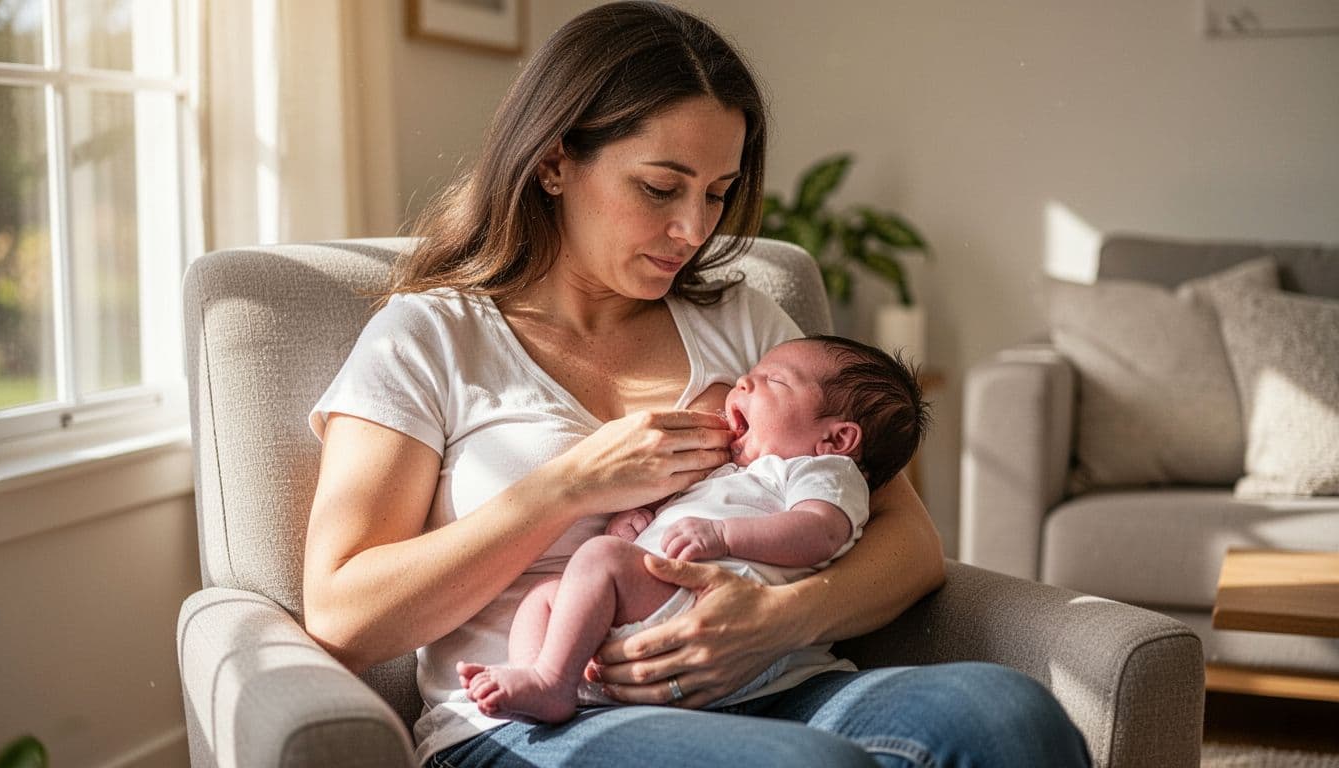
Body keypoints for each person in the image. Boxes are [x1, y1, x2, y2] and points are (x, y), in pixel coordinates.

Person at [303, 2, 1091, 766]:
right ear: (553, 162)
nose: (695, 229)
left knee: (1009, 716)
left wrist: (779, 619)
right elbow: (345, 614)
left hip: (779, 682)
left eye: (717, 192)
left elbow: (911, 542)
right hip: (539, 720)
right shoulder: (431, 336)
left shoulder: (744, 321)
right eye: (660, 188)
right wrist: (565, 488)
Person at [457, 336, 929, 724]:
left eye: (774, 380)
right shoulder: (734, 473)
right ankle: (539, 678)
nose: (745, 380)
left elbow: (820, 532)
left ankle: (552, 682)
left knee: (600, 559)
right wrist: (633, 527)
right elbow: (672, 527)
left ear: (838, 438)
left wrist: (724, 537)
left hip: (714, 614)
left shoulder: (820, 470)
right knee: (545, 595)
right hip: (655, 609)